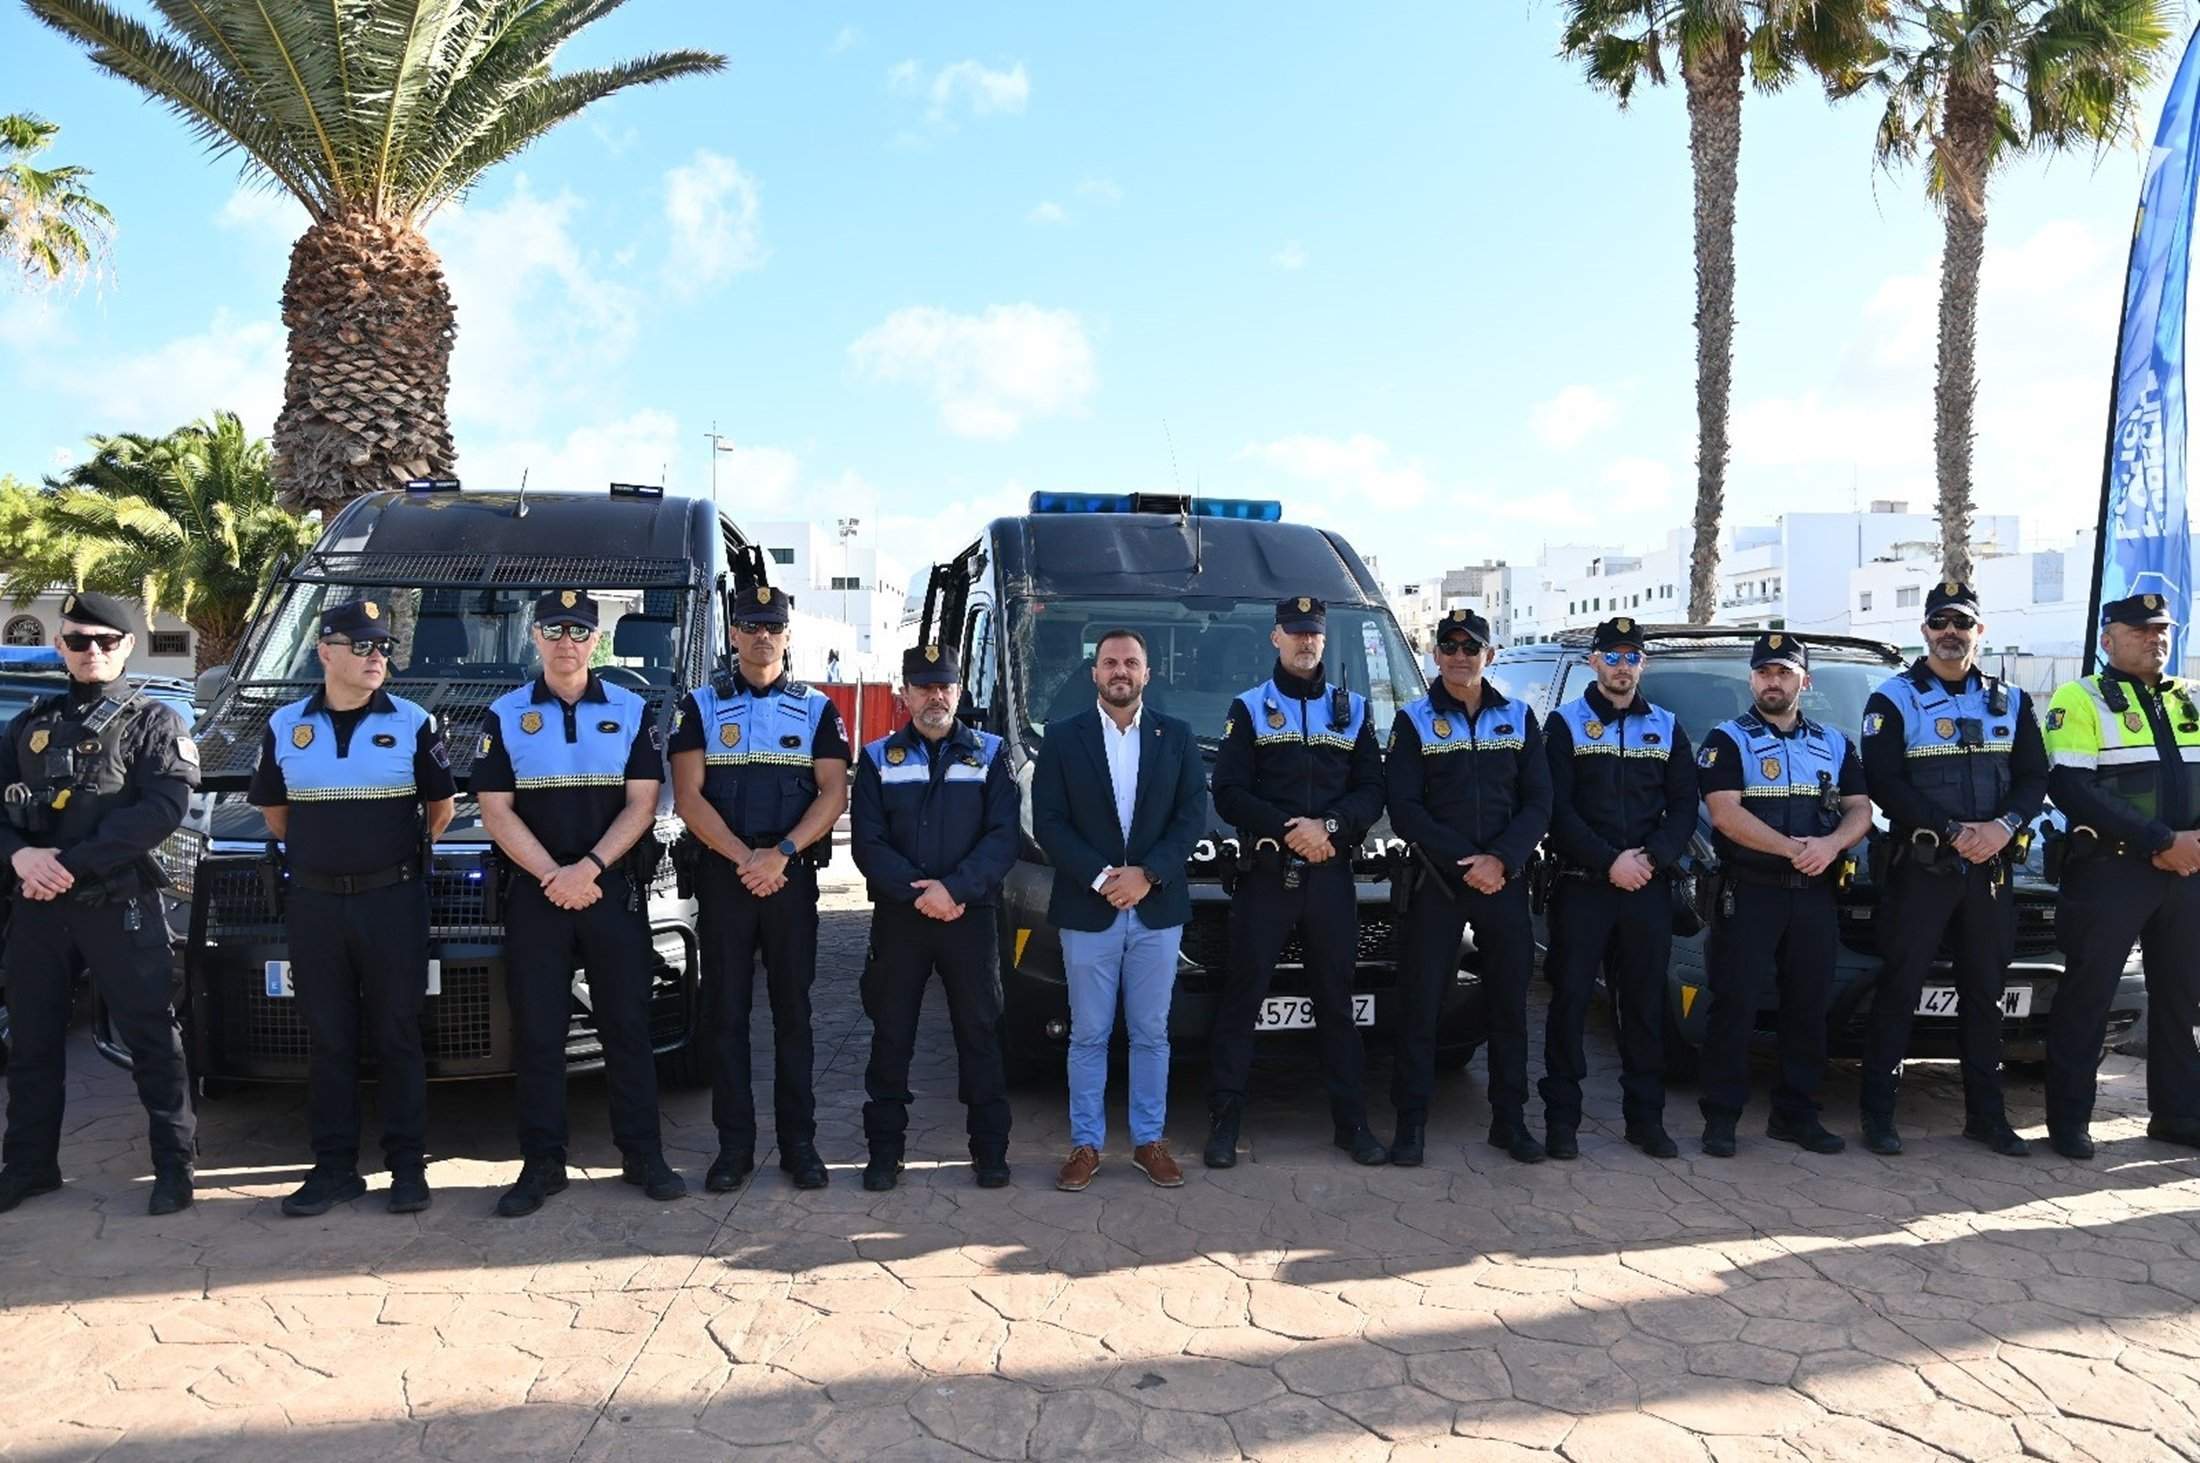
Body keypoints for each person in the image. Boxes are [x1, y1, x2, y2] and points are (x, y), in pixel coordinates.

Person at [473, 590, 684, 1217]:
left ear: (597, 640)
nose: (566, 642)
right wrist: (551, 875)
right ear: (534, 638)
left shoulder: (631, 709)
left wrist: (588, 869)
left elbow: (643, 803)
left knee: (628, 1025)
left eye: (579, 631)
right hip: (538, 896)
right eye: (553, 630)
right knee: (538, 1033)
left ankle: (643, 1154)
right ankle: (542, 1163)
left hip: (610, 890)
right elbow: (494, 810)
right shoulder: (504, 715)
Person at [251, 598, 457, 1216]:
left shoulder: (416, 721)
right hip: (314, 903)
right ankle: (334, 1169)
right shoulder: (286, 725)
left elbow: (439, 811)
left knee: (397, 1034)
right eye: (363, 646)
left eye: (383, 648)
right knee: (329, 1038)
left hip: (392, 901)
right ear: (326, 653)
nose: (376, 658)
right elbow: (276, 815)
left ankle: (406, 1168)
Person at [0, 592, 199, 1216]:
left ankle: (173, 1169)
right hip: (38, 905)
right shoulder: (28, 723)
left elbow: (161, 811)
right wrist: (18, 857)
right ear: (60, 646)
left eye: (105, 642)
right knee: (30, 1043)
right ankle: (30, 1167)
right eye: (79, 640)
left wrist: (66, 863)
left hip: (117, 900)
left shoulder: (154, 722)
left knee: (150, 1039)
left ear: (126, 647)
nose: (92, 652)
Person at [669, 582, 848, 1192]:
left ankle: (799, 1145)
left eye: (772, 625)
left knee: (794, 1015)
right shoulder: (701, 705)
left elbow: (833, 792)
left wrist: (783, 854)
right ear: (734, 634)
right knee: (727, 1017)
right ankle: (733, 1148)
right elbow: (689, 797)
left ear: (788, 635)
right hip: (725, 878)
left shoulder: (817, 707)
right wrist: (748, 857)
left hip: (790, 879)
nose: (762, 634)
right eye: (750, 624)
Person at [1856, 581, 2044, 1158]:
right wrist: (1954, 831)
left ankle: (1986, 1118)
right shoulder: (1894, 697)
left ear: (1978, 632)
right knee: (1899, 989)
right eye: (1939, 621)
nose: (1950, 632)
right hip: (1924, 868)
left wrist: (2003, 826)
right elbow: (1884, 782)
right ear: (1924, 631)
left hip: (1989, 871)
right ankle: (1878, 1118)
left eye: (1961, 623)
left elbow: (2035, 776)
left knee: (1986, 994)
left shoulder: (2011, 701)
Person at [1205, 595, 1390, 1170]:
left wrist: (1329, 827)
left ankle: (1351, 1124)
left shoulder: (1353, 710)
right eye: (1295, 631)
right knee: (1242, 1001)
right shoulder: (1251, 708)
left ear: (1324, 639)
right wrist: (1291, 830)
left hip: (1331, 877)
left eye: (1314, 632)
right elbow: (1229, 791)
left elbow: (1372, 790)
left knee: (1337, 1003)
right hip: (1267, 876)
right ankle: (1225, 1122)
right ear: (1276, 638)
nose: (1306, 641)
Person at [1030, 628, 1208, 1192]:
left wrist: (1147, 875)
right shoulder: (1062, 738)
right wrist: (1107, 877)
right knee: (1088, 1034)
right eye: (1110, 662)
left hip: (1157, 909)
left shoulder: (1176, 737)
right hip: (1090, 906)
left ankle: (1149, 1142)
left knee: (1151, 1033)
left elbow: (1190, 817)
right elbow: (1050, 821)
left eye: (1131, 662)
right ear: (1095, 673)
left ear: (1147, 674)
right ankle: (1085, 1146)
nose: (1120, 671)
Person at [849, 642, 1019, 1191]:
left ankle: (989, 1152)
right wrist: (920, 893)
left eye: (944, 685)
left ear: (960, 691)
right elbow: (867, 845)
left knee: (981, 1032)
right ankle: (885, 1152)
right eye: (923, 686)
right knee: (892, 1034)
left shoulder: (991, 755)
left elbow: (1002, 838)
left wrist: (954, 889)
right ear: (905, 693)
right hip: (903, 920)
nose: (935, 696)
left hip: (969, 917)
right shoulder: (877, 758)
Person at [1694, 633, 1872, 1158]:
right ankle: (1721, 1118)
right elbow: (1725, 814)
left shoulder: (1836, 743)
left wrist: (1832, 844)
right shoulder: (1726, 740)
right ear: (1752, 680)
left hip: (1814, 894)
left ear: (1804, 681)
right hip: (1750, 893)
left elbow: (1860, 809)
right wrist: (1796, 849)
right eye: (1765, 672)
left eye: (1785, 672)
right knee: (1735, 1004)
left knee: (1808, 1007)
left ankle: (1796, 1115)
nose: (1774, 681)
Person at [1385, 608, 1551, 1166]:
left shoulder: (1520, 717)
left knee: (1509, 1004)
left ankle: (1510, 1121)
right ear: (1435, 655)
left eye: (1471, 646)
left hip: (1503, 879)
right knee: (1422, 1005)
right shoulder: (1412, 720)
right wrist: (1466, 863)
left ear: (1490, 655)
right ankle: (1410, 1126)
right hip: (1438, 882)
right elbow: (1404, 809)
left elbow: (1538, 802)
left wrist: (1500, 859)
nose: (1460, 655)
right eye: (1450, 646)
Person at [2040, 591, 2200, 1159]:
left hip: (2186, 871)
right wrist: (2160, 841)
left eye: (2162, 630)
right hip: (2110, 871)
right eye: (2139, 631)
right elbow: (2071, 787)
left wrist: (2191, 846)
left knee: (2181, 999)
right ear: (2108, 639)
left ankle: (2178, 1115)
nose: (2155, 638)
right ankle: (2068, 1121)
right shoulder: (2079, 698)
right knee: (2089, 996)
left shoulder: (2189, 697)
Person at [1539, 617, 1697, 1162]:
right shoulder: (1564, 724)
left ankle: (1645, 1120)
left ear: (1642, 664)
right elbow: (1555, 810)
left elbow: (1682, 806)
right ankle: (1561, 1122)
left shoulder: (1667, 725)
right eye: (1613, 655)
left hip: (1646, 887)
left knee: (1645, 1006)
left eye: (1632, 656)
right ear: (1595, 662)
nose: (1623, 666)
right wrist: (1609, 861)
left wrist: (1651, 859)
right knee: (1570, 1004)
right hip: (1583, 887)